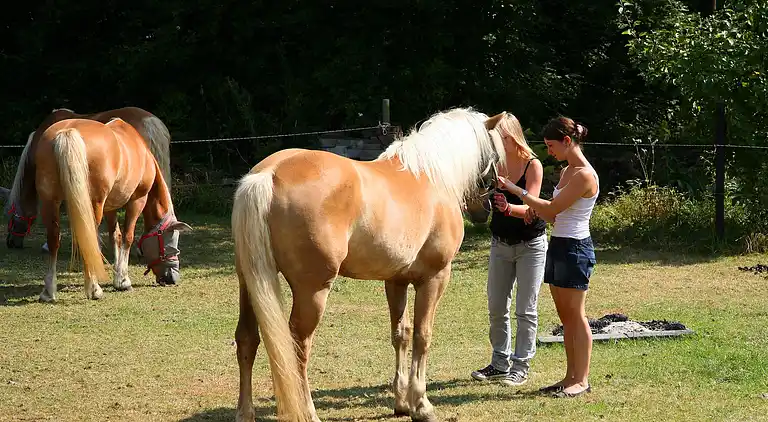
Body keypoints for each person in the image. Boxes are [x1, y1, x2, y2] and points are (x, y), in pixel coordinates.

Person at [497, 116, 598, 398]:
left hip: (575, 249)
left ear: (567, 141)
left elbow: (552, 211)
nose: (549, 151)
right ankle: (570, 377)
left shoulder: (584, 175)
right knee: (566, 318)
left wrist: (516, 191)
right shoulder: (568, 172)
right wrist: (523, 209)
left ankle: (582, 379)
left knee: (577, 317)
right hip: (559, 245)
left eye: (551, 145)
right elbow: (550, 210)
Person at [470, 112, 548, 387]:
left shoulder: (532, 166)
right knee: (496, 307)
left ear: (512, 136)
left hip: (531, 246)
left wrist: (507, 207)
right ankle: (499, 362)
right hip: (500, 244)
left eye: (500, 138)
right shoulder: (495, 164)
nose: (496, 144)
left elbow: (534, 209)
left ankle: (521, 366)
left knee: (526, 310)